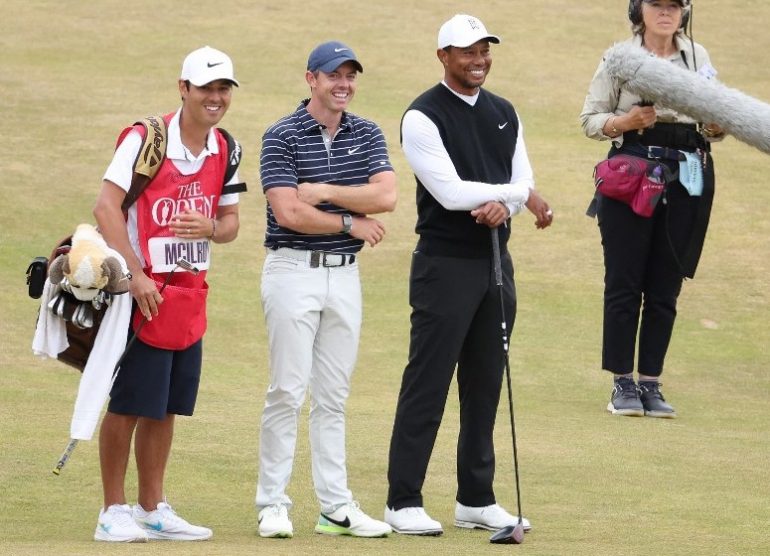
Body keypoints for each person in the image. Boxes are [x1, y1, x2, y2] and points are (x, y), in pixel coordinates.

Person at [384, 14, 552, 536]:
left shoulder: (504, 111)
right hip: (444, 265)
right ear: (443, 57)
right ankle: (402, 499)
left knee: (484, 385)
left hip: (496, 263)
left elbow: (522, 182)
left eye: (484, 50)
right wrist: (515, 197)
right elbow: (452, 193)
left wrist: (510, 203)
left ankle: (475, 498)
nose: (478, 60)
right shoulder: (422, 116)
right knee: (428, 383)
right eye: (466, 52)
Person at [91, 45, 245, 542]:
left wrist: (210, 227)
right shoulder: (145, 139)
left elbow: (230, 225)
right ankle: (112, 511)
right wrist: (134, 276)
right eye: (206, 88)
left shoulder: (226, 148)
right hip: (141, 294)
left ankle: (152, 508)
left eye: (223, 88)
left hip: (188, 294)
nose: (215, 98)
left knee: (168, 405)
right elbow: (106, 208)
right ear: (184, 88)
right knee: (130, 403)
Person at [256, 40, 396, 539]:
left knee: (333, 396)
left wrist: (327, 194)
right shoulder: (282, 135)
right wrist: (350, 222)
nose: (344, 84)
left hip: (344, 277)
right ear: (310, 79)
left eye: (350, 76)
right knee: (288, 391)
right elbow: (289, 212)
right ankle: (272, 503)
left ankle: (336, 507)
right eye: (333, 75)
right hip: (292, 271)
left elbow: (387, 196)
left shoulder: (367, 133)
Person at [580, 0, 724, 418]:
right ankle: (622, 383)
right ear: (638, 11)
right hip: (632, 175)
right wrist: (625, 122)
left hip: (687, 174)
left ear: (685, 12)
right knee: (625, 281)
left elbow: (714, 124)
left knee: (666, 284)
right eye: (656, 4)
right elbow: (590, 119)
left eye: (674, 5)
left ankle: (651, 383)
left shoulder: (698, 58)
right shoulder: (620, 58)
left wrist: (715, 126)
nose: (666, 12)